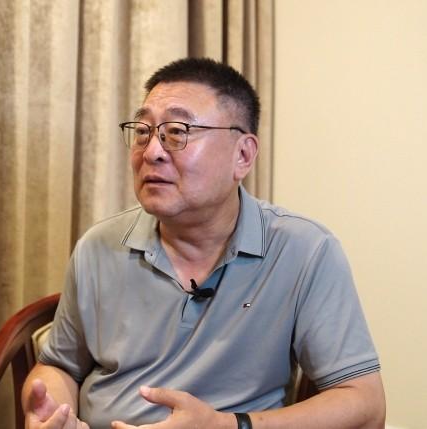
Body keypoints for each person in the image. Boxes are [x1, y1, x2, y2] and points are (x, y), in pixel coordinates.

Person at [21, 57, 385, 429]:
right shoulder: (99, 246)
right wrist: (52, 414)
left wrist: (227, 426)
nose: (151, 151)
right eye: (143, 131)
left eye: (177, 132)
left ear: (242, 155)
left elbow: (365, 404)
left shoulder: (304, 251)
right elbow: (59, 366)